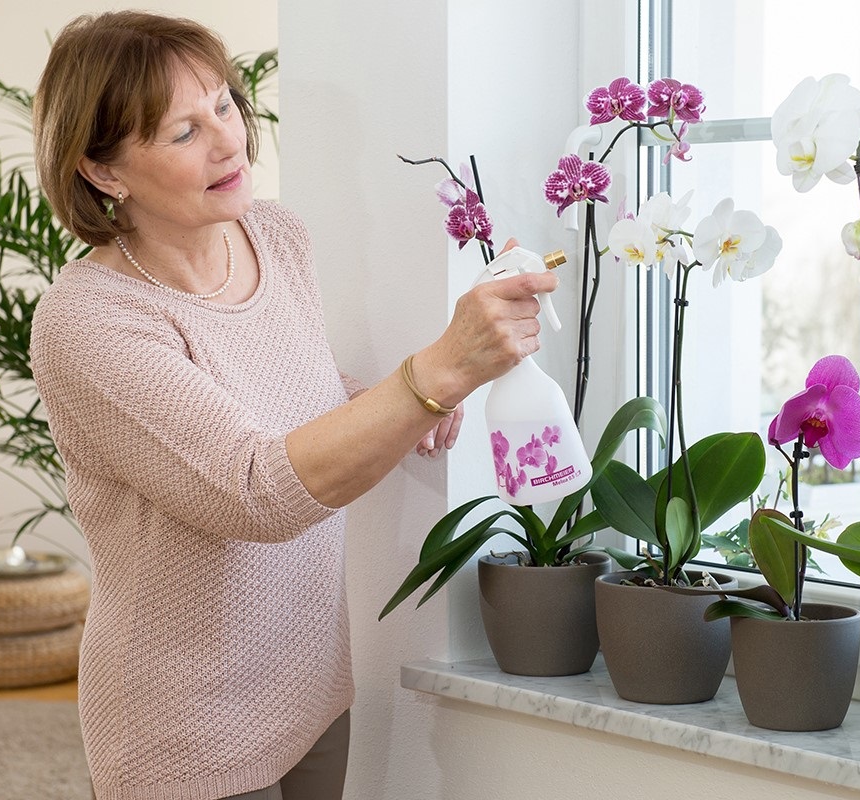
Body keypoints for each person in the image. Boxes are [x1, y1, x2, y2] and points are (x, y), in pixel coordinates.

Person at [29, 11, 556, 800]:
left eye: (224, 104)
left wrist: (393, 404)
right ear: (104, 173)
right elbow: (252, 489)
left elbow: (294, 393)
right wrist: (433, 374)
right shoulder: (89, 319)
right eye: (182, 132)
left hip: (307, 682)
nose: (227, 140)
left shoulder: (273, 235)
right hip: (183, 729)